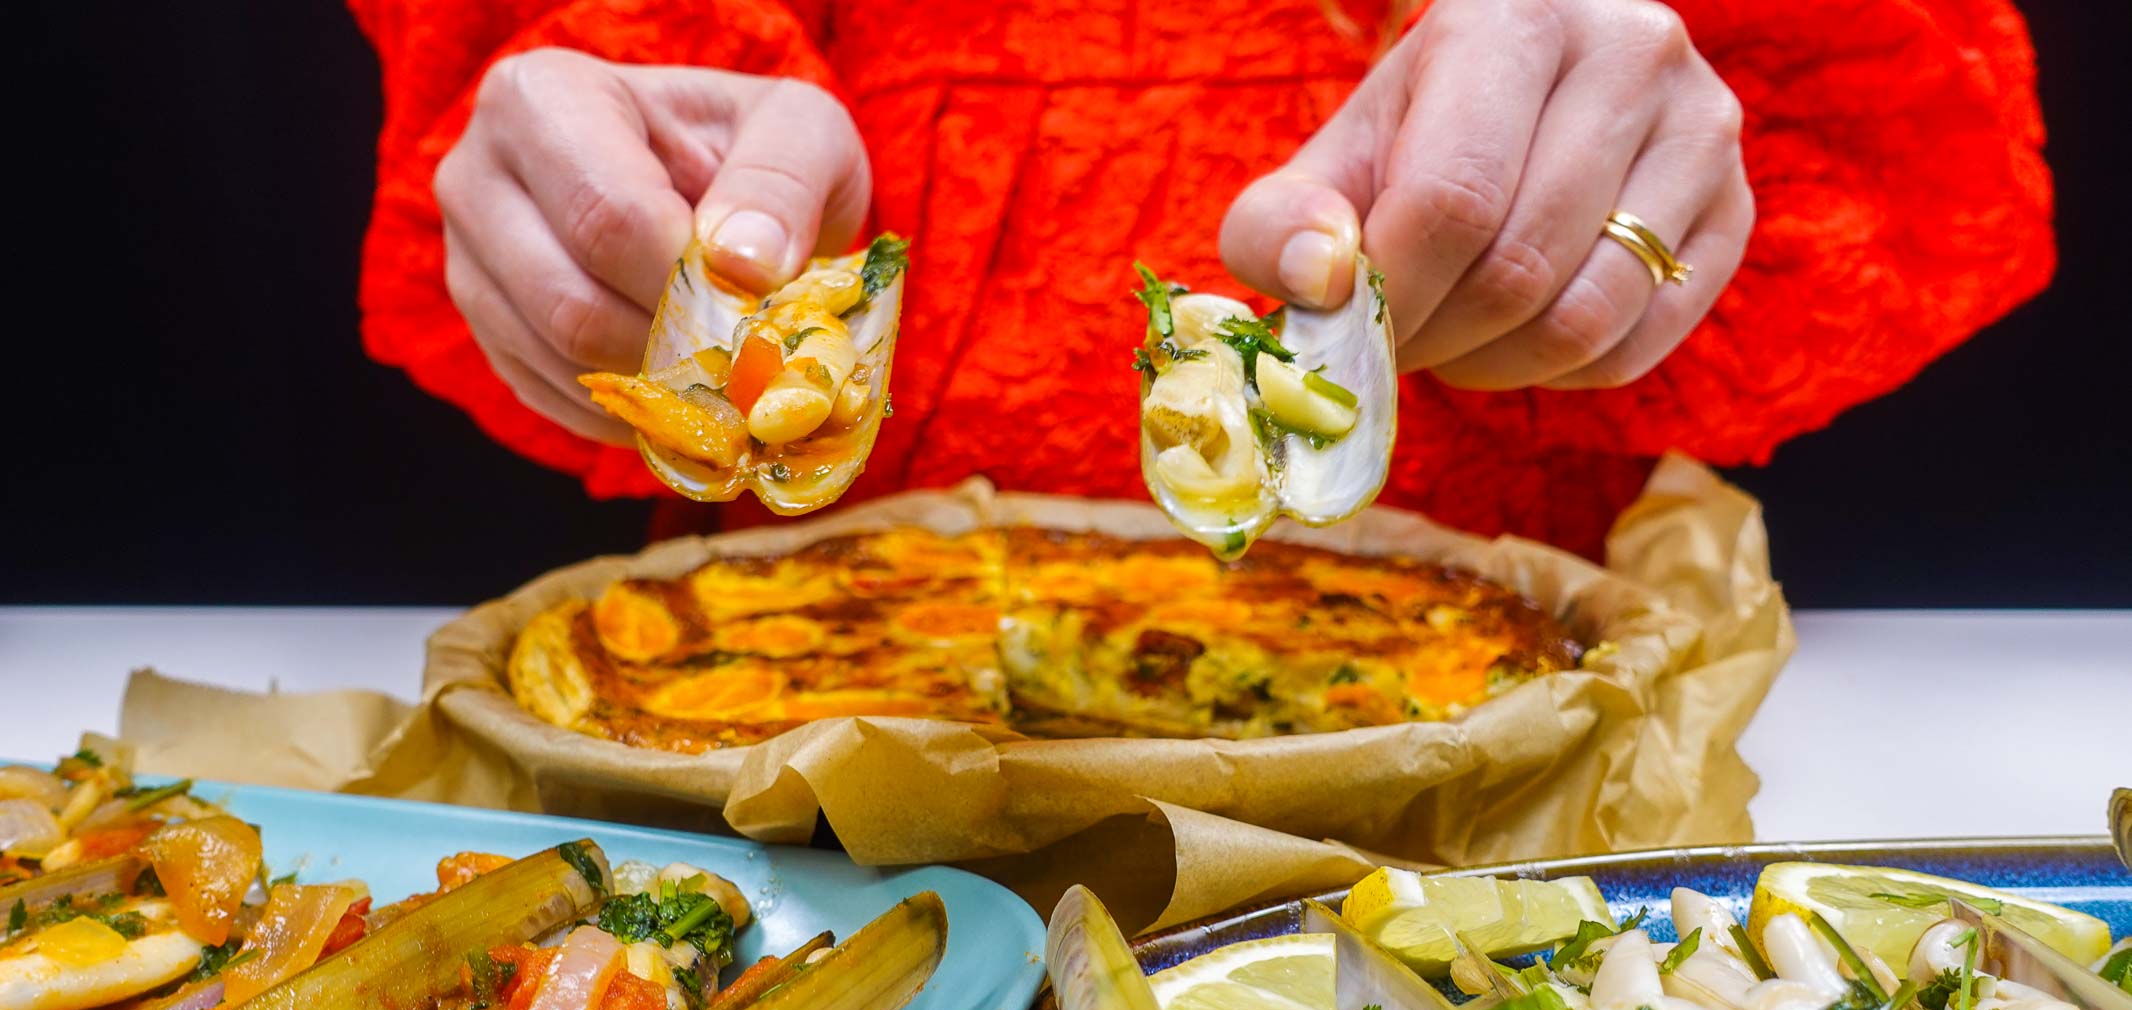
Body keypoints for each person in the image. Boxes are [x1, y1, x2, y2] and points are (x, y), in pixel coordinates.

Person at [349, 0, 2052, 559]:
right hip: (789, 745)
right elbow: (566, 66)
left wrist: (1638, 151)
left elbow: (1858, 113)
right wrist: (606, 165)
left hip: (1510, 744)